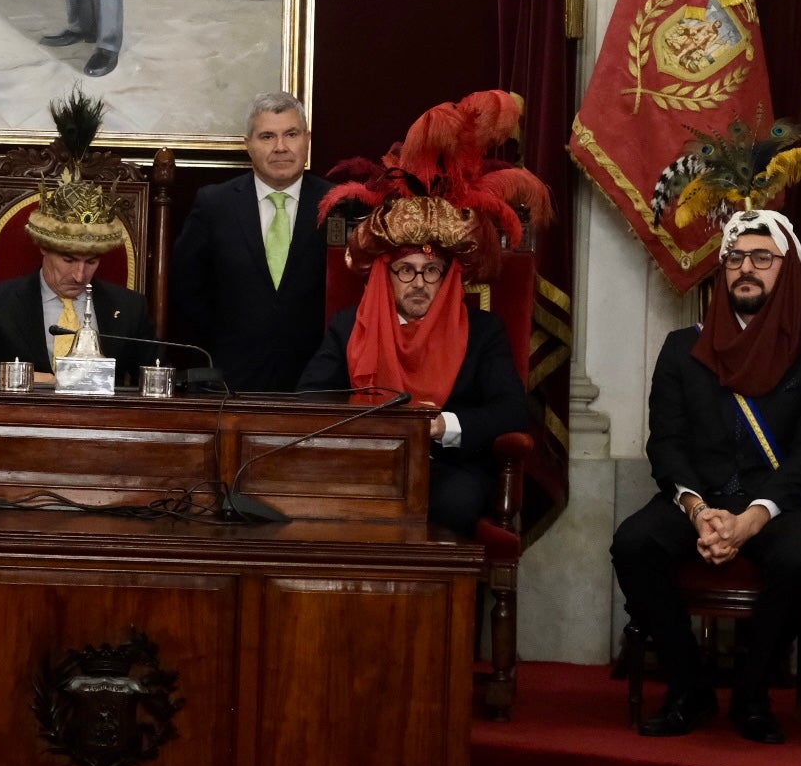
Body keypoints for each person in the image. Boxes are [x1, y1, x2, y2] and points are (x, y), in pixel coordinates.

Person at [612, 210, 801, 744]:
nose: (746, 268)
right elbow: (665, 443)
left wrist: (750, 520)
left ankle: (752, 694)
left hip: (779, 504)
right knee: (633, 543)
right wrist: (699, 511)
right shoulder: (681, 348)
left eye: (763, 258)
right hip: (700, 497)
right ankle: (689, 687)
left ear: (787, 272)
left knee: (797, 557)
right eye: (736, 258)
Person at [296, 91, 547, 538]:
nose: (418, 282)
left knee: (455, 502)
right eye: (406, 270)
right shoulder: (350, 325)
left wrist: (443, 426)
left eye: (432, 271)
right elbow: (310, 398)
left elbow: (512, 410)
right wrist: (367, 428)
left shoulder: (482, 331)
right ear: (385, 275)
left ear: (449, 277)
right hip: (365, 462)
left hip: (447, 468)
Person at [0, 100, 157, 384]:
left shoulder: (129, 308)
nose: (80, 275)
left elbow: (158, 377)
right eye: (68, 259)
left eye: (91, 262)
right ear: (44, 247)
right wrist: (25, 378)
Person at [171, 92, 332, 392]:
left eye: (291, 134)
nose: (281, 147)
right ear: (249, 145)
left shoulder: (339, 204)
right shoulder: (214, 204)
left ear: (307, 139)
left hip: (318, 382)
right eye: (268, 136)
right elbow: (186, 286)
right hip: (233, 379)